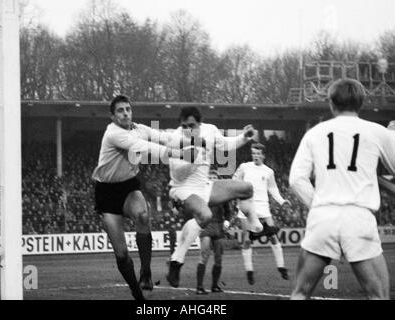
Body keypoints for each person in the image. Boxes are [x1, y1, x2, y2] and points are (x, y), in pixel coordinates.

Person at [289, 79, 395, 300]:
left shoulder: (314, 133)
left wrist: (318, 205)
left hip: (323, 216)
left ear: (331, 103)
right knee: (378, 295)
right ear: (361, 103)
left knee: (300, 292)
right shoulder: (376, 132)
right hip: (358, 217)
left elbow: (296, 179)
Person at [92, 95, 203, 300]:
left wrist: (189, 138)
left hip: (128, 186)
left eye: (128, 109)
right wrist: (182, 154)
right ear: (112, 116)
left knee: (143, 215)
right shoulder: (114, 134)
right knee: (122, 254)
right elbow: (146, 148)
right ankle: (138, 294)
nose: (125, 113)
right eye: (120, 110)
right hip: (106, 193)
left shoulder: (139, 128)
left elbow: (161, 136)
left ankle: (146, 272)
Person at [166, 106, 263, 288]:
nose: (188, 129)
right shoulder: (175, 139)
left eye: (192, 125)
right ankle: (176, 261)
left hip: (205, 187)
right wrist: (194, 161)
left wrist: (244, 137)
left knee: (247, 188)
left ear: (200, 123)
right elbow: (177, 174)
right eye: (184, 125)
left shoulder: (210, 130)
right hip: (183, 188)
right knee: (206, 215)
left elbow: (225, 145)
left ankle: (257, 227)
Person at [233, 143, 291, 285]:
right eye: (253, 153)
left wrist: (282, 201)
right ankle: (249, 271)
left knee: (273, 237)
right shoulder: (244, 167)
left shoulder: (268, 171)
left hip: (263, 207)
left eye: (258, 154)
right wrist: (238, 196)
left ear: (263, 155)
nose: (256, 156)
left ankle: (282, 267)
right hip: (247, 206)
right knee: (247, 240)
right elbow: (234, 181)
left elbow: (273, 189)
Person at [196, 171, 234, 294]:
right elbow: (195, 210)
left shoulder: (222, 195)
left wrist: (227, 221)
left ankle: (214, 286)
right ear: (207, 179)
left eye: (214, 178)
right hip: (206, 226)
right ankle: (199, 287)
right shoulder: (201, 194)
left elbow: (228, 211)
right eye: (210, 178)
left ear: (217, 180)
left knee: (219, 258)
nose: (212, 180)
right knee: (204, 255)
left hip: (219, 227)